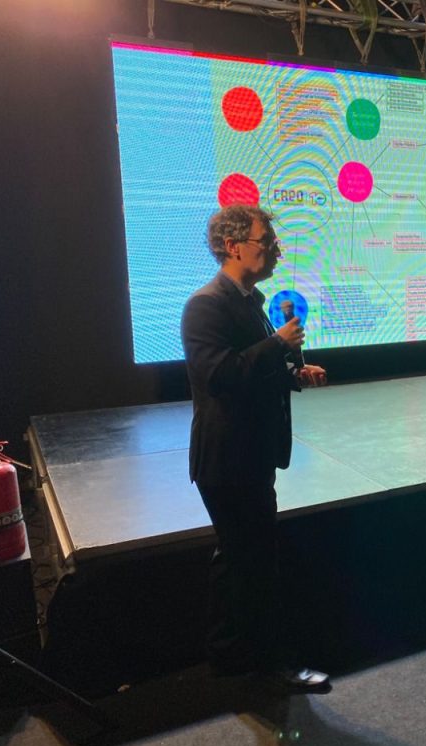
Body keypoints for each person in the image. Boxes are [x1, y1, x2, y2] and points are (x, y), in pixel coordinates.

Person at [181, 204, 329, 690]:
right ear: (233, 246)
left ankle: (228, 655)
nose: (276, 251)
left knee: (237, 558)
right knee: (257, 562)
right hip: (229, 459)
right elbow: (221, 375)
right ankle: (274, 665)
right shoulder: (206, 305)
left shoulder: (250, 301)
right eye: (266, 242)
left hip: (248, 455)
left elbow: (252, 372)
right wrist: (280, 344)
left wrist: (294, 374)